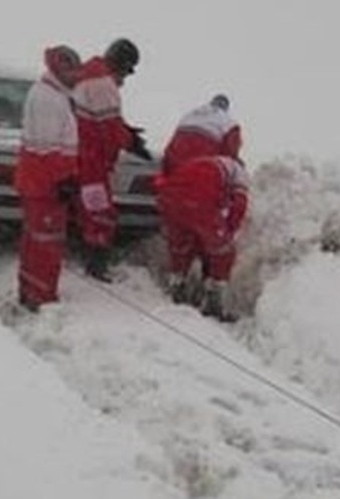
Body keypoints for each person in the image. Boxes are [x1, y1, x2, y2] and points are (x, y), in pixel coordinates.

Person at [154, 94, 249, 321]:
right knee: (221, 249)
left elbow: (169, 151)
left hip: (175, 181)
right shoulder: (229, 126)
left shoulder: (189, 115)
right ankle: (213, 302)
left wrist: (167, 179)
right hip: (201, 191)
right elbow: (238, 205)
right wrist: (225, 234)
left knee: (181, 242)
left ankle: (177, 288)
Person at [70, 37, 151, 281]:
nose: (125, 79)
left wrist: (126, 131)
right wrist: (132, 142)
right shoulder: (103, 84)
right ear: (121, 64)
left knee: (86, 210)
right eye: (126, 72)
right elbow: (110, 128)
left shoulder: (87, 74)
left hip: (81, 154)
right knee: (100, 213)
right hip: (92, 160)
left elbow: (101, 119)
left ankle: (87, 257)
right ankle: (96, 266)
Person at [14, 45, 82, 311]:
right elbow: (45, 149)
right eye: (72, 70)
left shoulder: (52, 94)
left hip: (41, 184)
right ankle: (42, 298)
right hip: (45, 187)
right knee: (46, 243)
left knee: (35, 240)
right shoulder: (48, 100)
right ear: (59, 69)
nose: (76, 76)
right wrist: (61, 181)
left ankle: (30, 292)